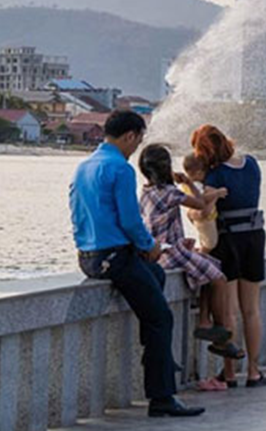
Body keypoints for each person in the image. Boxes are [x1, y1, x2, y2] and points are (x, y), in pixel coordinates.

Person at [69, 111, 202, 418]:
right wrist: (149, 246)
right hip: (116, 257)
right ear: (129, 136)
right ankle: (162, 397)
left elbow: (76, 211)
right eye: (138, 139)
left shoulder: (84, 166)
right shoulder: (120, 168)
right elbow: (130, 220)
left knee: (155, 275)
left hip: (89, 257)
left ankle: (159, 357)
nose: (137, 146)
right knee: (161, 318)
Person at [137, 144, 237, 391]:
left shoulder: (145, 192)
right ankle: (222, 332)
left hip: (160, 249)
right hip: (172, 252)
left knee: (208, 266)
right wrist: (188, 184)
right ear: (167, 169)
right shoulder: (170, 192)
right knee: (220, 278)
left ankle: (204, 322)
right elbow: (201, 204)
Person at [191, 125, 262, 385]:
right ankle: (254, 372)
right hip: (254, 236)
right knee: (252, 310)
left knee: (229, 311)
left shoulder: (214, 175)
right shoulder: (252, 164)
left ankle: (230, 373)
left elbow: (202, 212)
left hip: (227, 239)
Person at [181, 154, 220, 255]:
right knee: (210, 243)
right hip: (205, 219)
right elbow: (202, 199)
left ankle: (199, 251)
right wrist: (217, 194)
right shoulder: (196, 185)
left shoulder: (186, 184)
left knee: (204, 239)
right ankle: (200, 255)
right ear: (198, 173)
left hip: (199, 218)